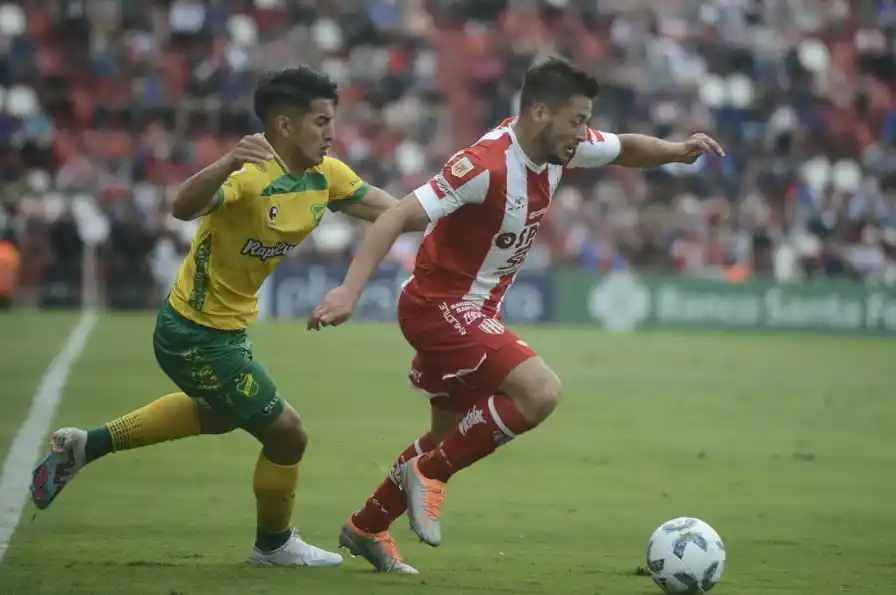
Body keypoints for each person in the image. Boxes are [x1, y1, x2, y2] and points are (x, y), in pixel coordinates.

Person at [306, 57, 725, 574]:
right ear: (540, 113)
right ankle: (430, 475)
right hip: (438, 308)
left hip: (474, 311)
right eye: (575, 120)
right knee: (540, 391)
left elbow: (627, 147)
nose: (582, 132)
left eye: (585, 121)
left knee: (448, 435)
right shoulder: (485, 166)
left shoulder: (561, 147)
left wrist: (679, 151)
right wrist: (350, 290)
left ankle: (367, 526)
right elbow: (396, 215)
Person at [30, 66, 409, 568]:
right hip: (192, 332)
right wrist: (228, 160)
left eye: (331, 121)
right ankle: (273, 546)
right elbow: (182, 207)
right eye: (320, 121)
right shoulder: (250, 175)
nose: (330, 133)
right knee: (287, 433)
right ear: (284, 125)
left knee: (219, 414)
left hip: (227, 332)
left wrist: (459, 202)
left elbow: (401, 211)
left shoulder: (328, 176)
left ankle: (84, 446)